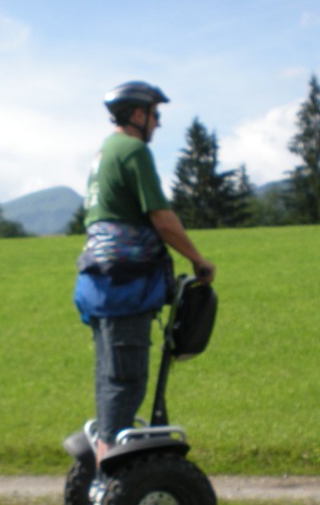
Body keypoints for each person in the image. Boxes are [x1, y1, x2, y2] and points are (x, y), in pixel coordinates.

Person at [74, 81, 216, 465]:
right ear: (137, 114)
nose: (158, 122)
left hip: (98, 285)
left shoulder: (104, 152)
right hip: (126, 286)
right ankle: (111, 470)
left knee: (109, 377)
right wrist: (198, 260)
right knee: (127, 381)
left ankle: (104, 454)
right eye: (155, 114)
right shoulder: (133, 150)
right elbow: (162, 219)